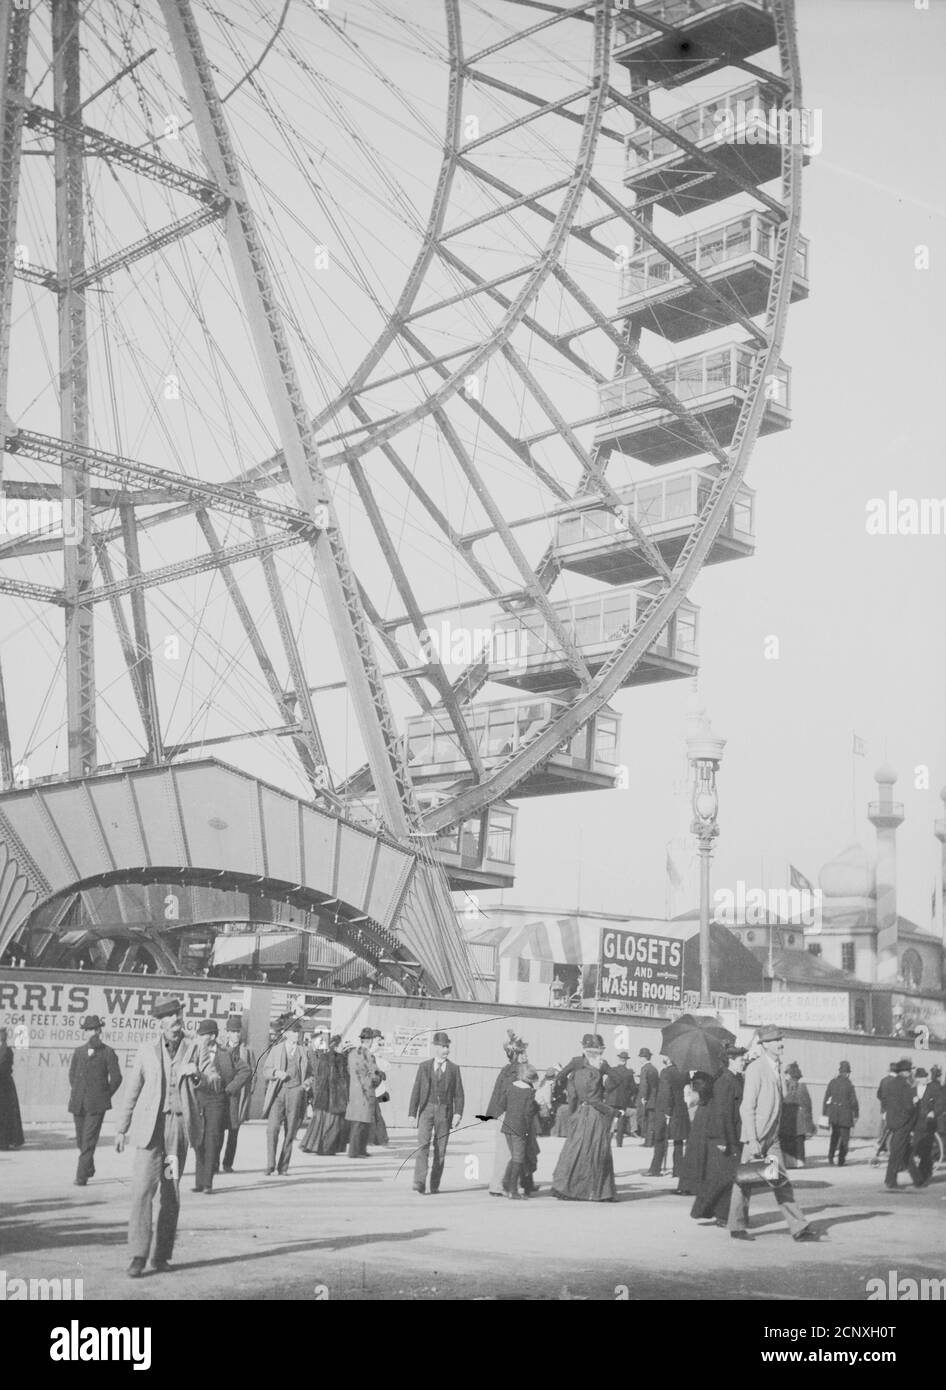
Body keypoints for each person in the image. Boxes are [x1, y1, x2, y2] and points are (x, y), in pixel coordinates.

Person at [114, 998, 200, 1278]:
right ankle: (138, 1255)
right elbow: (132, 1090)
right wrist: (121, 1128)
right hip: (150, 1133)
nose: (178, 1027)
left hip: (176, 1132)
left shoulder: (194, 1048)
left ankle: (161, 1255)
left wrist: (196, 1074)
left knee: (170, 1194)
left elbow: (215, 1080)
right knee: (141, 1191)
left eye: (180, 1021)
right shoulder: (146, 1051)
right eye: (173, 1022)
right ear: (161, 1023)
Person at [726, 1025, 814, 1242]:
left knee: (780, 1180)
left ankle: (798, 1227)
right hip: (756, 1135)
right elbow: (746, 1107)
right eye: (775, 1041)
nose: (780, 1043)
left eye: (781, 1039)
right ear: (764, 1045)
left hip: (772, 1137)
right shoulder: (756, 1068)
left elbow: (781, 1097)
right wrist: (753, 1141)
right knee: (744, 1181)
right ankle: (736, 1226)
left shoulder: (777, 1066)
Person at [551, 1034, 619, 1202]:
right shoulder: (588, 1064)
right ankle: (596, 1191)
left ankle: (568, 1189)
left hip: (584, 1112)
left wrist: (568, 1088)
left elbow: (559, 1077)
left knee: (577, 1149)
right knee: (594, 1150)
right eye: (593, 1051)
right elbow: (618, 1080)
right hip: (593, 1113)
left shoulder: (583, 1063)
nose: (594, 1054)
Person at [192, 1020, 250, 1194]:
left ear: (212, 1036)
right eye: (200, 1035)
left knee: (212, 1139)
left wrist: (230, 1089)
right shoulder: (193, 1051)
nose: (201, 1038)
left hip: (218, 1101)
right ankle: (199, 1182)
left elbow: (246, 1070)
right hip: (198, 1099)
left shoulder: (227, 1053)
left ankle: (208, 1183)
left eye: (204, 1035)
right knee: (198, 1140)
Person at [692, 1047, 745, 1225]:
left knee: (726, 1177)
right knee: (721, 1178)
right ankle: (707, 1211)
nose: (742, 1062)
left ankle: (721, 1215)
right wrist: (724, 1141)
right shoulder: (725, 1081)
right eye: (739, 1059)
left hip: (732, 1135)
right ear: (730, 1060)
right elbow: (722, 1113)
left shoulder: (734, 1078)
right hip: (723, 1137)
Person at [68, 1015, 122, 1186]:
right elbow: (72, 1075)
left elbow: (116, 1078)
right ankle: (89, 1167)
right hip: (78, 1103)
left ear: (100, 1030)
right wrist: (78, 1091)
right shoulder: (78, 1052)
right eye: (88, 1030)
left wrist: (104, 1096)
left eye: (94, 1029)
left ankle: (81, 1176)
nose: (92, 1032)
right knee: (80, 1141)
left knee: (89, 1141)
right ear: (85, 1032)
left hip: (96, 1105)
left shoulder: (108, 1052)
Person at [408, 1031, 464, 1194]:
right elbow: (416, 1091)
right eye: (443, 1046)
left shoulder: (454, 1069)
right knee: (422, 1145)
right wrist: (412, 1114)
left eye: (447, 1046)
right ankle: (419, 1182)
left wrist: (457, 1114)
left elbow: (459, 1094)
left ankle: (434, 1184)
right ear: (436, 1047)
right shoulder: (424, 1067)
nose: (446, 1050)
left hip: (444, 1111)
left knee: (441, 1149)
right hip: (426, 1110)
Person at [263, 1019, 313, 1175]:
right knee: (272, 1129)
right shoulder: (276, 1050)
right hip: (278, 1093)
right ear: (285, 1033)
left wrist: (305, 1085)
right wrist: (276, 1073)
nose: (296, 1034)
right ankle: (270, 1164)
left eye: (298, 1032)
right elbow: (265, 1070)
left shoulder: (304, 1051)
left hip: (296, 1093)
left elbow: (311, 1075)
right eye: (293, 1031)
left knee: (290, 1131)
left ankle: (283, 1167)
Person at [485, 1032, 529, 1195]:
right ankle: (499, 1186)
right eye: (523, 1052)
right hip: (510, 1115)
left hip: (507, 1115)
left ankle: (508, 1184)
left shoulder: (508, 1070)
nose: (526, 1055)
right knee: (507, 1152)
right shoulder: (515, 1072)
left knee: (512, 1152)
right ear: (516, 1055)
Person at [302, 1034, 349, 1154]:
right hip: (335, 1095)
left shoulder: (323, 1057)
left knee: (319, 1121)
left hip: (323, 1093)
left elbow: (319, 1076)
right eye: (342, 1044)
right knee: (333, 1122)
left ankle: (311, 1145)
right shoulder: (340, 1058)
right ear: (338, 1045)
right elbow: (342, 1078)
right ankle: (326, 1148)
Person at [499, 1063, 540, 1199]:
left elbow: (503, 1104)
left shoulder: (510, 1086)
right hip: (520, 1128)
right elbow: (528, 1114)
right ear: (531, 1079)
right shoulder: (530, 1092)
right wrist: (537, 1107)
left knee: (514, 1156)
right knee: (518, 1158)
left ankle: (506, 1184)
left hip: (507, 1126)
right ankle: (513, 1190)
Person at [219, 1015, 255, 1173]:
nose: (235, 1035)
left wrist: (248, 1093)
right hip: (221, 1096)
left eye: (237, 1031)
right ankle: (214, 1162)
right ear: (227, 1033)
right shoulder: (220, 1050)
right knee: (218, 1130)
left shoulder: (246, 1052)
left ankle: (227, 1163)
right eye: (232, 1031)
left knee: (234, 1131)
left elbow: (252, 1073)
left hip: (238, 1097)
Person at [647, 1057, 689, 1178]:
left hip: (667, 1109)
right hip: (680, 1109)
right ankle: (678, 1169)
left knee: (660, 1138)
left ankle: (655, 1168)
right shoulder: (684, 1072)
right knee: (678, 1140)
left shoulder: (666, 1072)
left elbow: (666, 1093)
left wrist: (667, 1111)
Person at [346, 1026, 382, 1158]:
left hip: (355, 1091)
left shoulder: (352, 1053)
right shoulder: (367, 1055)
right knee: (361, 1122)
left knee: (360, 1121)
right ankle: (356, 1151)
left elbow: (351, 1071)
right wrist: (377, 1078)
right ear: (370, 1040)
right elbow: (371, 1073)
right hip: (365, 1091)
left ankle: (360, 1150)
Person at [676, 1071, 714, 1197]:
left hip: (701, 1114)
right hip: (706, 1114)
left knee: (694, 1150)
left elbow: (696, 1097)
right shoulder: (712, 1077)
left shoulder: (699, 1078)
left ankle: (688, 1184)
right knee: (700, 1150)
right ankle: (695, 1184)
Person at [883, 1058, 919, 1190]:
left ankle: (918, 1179)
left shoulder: (890, 1083)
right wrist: (915, 1103)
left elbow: (885, 1100)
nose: (910, 1073)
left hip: (892, 1121)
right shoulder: (905, 1085)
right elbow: (909, 1107)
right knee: (897, 1152)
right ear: (905, 1072)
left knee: (906, 1151)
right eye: (909, 1071)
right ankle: (890, 1180)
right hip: (902, 1123)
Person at [822, 1060, 859, 1167]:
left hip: (834, 1114)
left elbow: (826, 1098)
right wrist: (856, 1114)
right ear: (847, 1073)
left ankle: (830, 1157)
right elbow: (854, 1101)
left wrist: (825, 1113)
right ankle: (841, 1160)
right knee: (845, 1138)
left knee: (834, 1136)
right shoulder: (849, 1084)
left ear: (839, 1071)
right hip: (845, 1115)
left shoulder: (832, 1082)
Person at [781, 1061, 815, 1167]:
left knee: (787, 1141)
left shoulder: (783, 1086)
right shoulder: (802, 1087)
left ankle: (788, 1162)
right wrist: (808, 1122)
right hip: (799, 1121)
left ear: (789, 1074)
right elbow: (807, 1106)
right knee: (799, 1141)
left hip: (786, 1120)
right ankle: (799, 1161)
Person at [908, 1068, 937, 1188]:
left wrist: (934, 1112)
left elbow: (941, 1103)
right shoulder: (912, 1091)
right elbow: (907, 1107)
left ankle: (924, 1174)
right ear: (918, 1079)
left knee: (926, 1150)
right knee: (917, 1149)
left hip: (929, 1124)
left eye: (927, 1076)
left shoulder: (933, 1089)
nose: (927, 1079)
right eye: (924, 1077)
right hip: (916, 1125)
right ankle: (922, 1173)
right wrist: (913, 1103)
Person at [605, 1050, 637, 1148]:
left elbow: (607, 1085)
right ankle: (619, 1143)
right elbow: (633, 1088)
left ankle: (607, 1141)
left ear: (619, 1059)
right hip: (622, 1101)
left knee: (609, 1122)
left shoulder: (612, 1070)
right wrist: (627, 1095)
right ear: (626, 1060)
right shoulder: (628, 1073)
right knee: (621, 1122)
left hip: (611, 1100)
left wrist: (609, 1093)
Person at [0, 1026, 25, 1150]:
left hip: (3, 1085)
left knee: (4, 1113)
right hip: (4, 1084)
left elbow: (3, 1066)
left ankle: (4, 1142)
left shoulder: (6, 1050)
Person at [873, 1060, 899, 1163]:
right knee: (890, 1128)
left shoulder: (883, 1080)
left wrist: (883, 1103)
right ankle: (882, 1145)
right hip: (894, 1109)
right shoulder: (897, 1082)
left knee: (885, 1126)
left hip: (884, 1108)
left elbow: (878, 1094)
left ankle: (881, 1145)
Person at [637, 1047, 659, 1146]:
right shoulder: (654, 1069)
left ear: (644, 1058)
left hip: (647, 1098)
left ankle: (648, 1142)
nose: (640, 1059)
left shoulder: (644, 1069)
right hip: (655, 1097)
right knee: (652, 1120)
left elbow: (644, 1084)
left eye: (641, 1057)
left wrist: (643, 1097)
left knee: (646, 1120)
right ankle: (651, 1140)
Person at [534, 1067, 557, 1137]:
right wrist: (551, 1109)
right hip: (541, 1105)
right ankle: (544, 1131)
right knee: (547, 1115)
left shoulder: (543, 1082)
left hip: (537, 1103)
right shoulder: (547, 1086)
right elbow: (547, 1101)